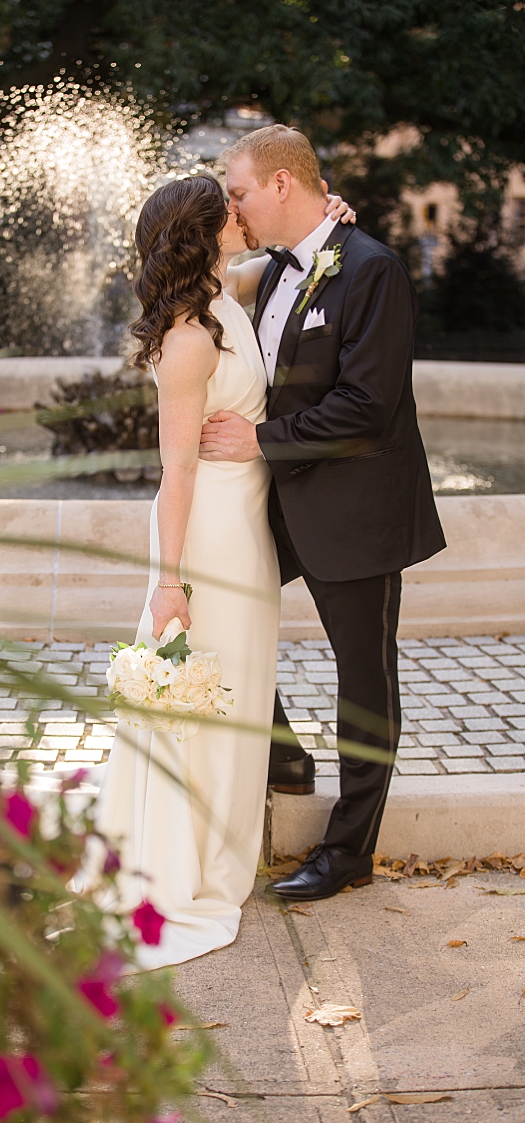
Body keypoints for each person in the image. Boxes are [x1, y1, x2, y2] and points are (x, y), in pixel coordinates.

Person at [95, 173, 357, 969]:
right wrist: (169, 579)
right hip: (205, 535)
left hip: (245, 532)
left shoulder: (224, 299)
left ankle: (218, 847)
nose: (244, 217)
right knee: (195, 701)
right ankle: (182, 865)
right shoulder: (189, 338)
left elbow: (288, 259)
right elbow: (174, 472)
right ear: (206, 232)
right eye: (230, 210)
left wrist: (329, 217)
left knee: (235, 692)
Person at [202, 125, 445, 902]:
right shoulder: (273, 271)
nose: (232, 208)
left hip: (359, 506)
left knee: (363, 681)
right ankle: (286, 757)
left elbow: (367, 409)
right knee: (219, 602)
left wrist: (258, 440)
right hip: (283, 495)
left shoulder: (372, 270)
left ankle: (349, 852)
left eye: (238, 192)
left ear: (281, 185)